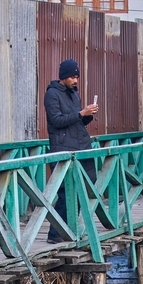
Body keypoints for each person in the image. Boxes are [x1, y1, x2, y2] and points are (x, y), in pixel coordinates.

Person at [43, 58, 98, 243]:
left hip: (80, 146)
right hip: (62, 148)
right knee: (65, 192)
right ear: (64, 76)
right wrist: (80, 113)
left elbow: (77, 121)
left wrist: (87, 116)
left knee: (86, 185)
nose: (76, 80)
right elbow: (57, 121)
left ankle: (70, 228)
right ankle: (55, 234)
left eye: (77, 77)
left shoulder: (74, 93)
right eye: (73, 77)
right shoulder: (52, 94)